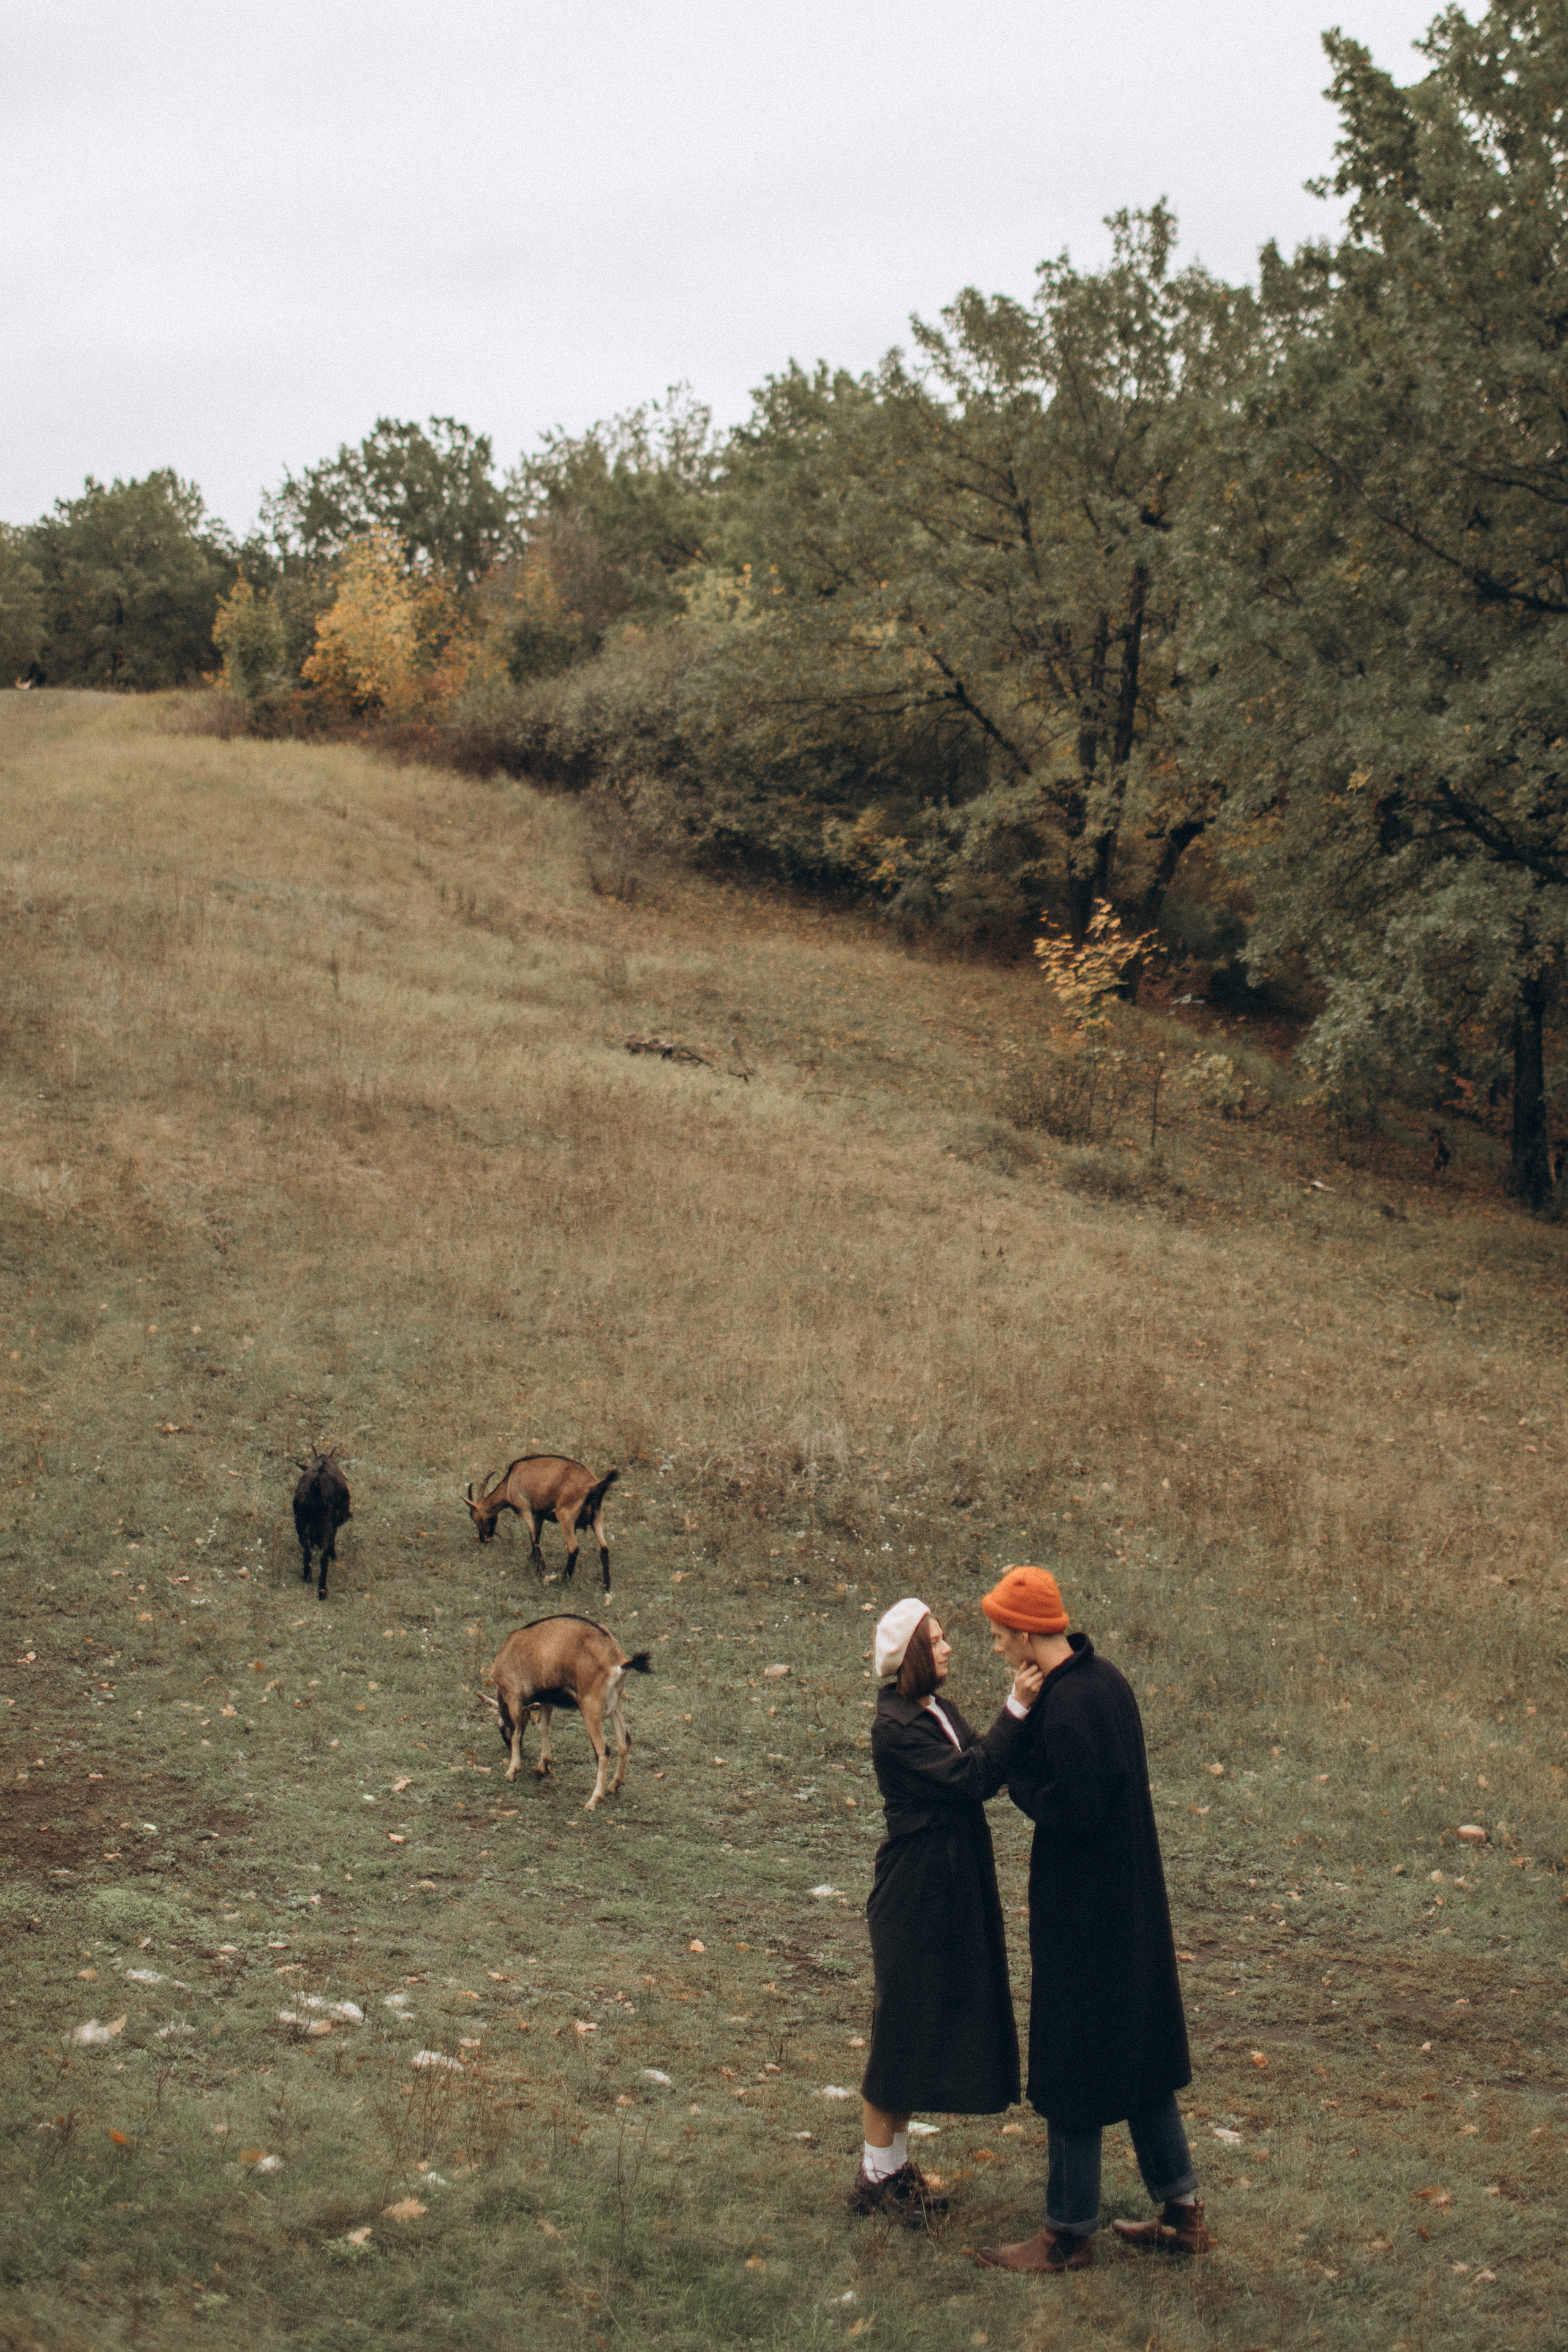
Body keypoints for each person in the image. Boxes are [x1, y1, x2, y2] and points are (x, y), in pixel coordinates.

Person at [972, 1565, 1213, 2275]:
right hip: (1128, 1905)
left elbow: (1072, 1809)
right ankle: (1183, 2213)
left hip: (1086, 1915)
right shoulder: (1104, 1680)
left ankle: (1067, 2234)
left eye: (996, 1632)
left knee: (1072, 2063)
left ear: (1024, 1631)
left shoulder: (1072, 1705)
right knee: (1138, 2059)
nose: (992, 1643)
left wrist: (1014, 1779)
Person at [853, 1596, 1045, 2226]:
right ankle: (875, 2174)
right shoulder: (896, 1726)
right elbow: (971, 1776)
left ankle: (893, 2166)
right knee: (901, 2029)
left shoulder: (935, 1710)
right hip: (913, 1893)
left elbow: (985, 1760)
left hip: (947, 1887)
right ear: (912, 1654)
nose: (948, 1648)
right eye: (936, 1641)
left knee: (922, 2026)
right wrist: (1017, 1706)